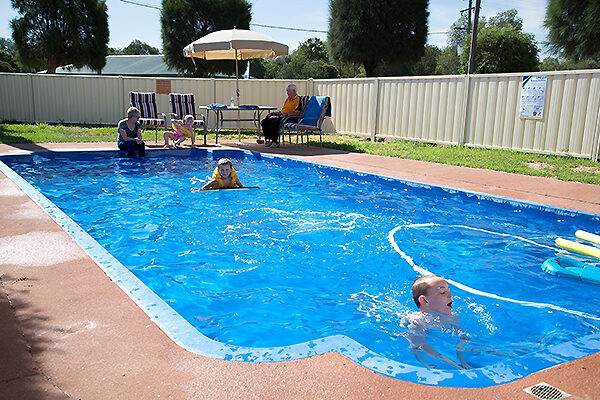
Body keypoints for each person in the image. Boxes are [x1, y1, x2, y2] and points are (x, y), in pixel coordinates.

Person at [401, 274, 471, 369]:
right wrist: (452, 363)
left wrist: (462, 359)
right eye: (442, 292)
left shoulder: (452, 317)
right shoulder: (417, 321)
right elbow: (419, 347)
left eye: (448, 291)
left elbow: (464, 339)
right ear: (425, 301)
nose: (450, 295)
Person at [261, 83, 303, 147]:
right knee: (265, 121)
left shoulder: (298, 99)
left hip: (292, 118)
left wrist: (287, 114)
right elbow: (282, 112)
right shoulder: (288, 99)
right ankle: (268, 139)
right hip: (284, 117)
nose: (287, 93)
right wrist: (273, 113)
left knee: (274, 123)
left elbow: (298, 113)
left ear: (294, 91)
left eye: (288, 91)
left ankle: (275, 142)